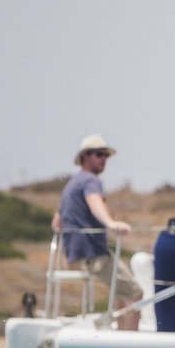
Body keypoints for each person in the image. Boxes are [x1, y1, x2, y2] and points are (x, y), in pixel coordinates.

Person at [55, 134, 139, 327]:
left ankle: (122, 338)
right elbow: (95, 202)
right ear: (85, 157)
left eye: (106, 156)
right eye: (99, 154)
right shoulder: (90, 181)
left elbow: (56, 223)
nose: (104, 159)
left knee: (122, 291)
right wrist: (110, 223)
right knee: (135, 293)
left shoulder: (71, 184)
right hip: (93, 256)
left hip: (74, 257)